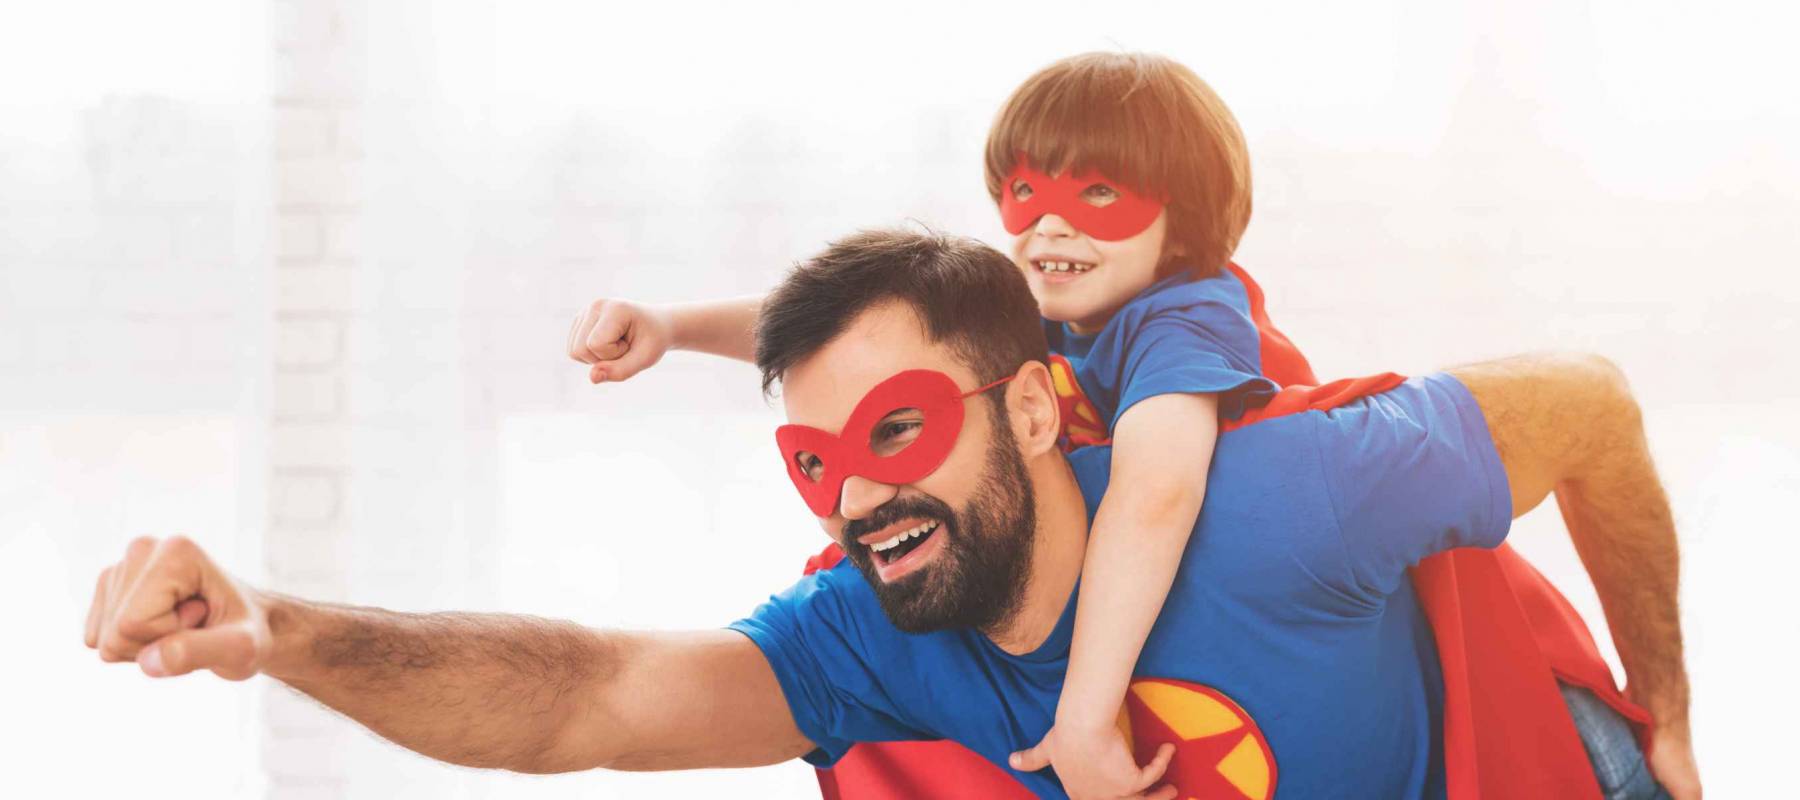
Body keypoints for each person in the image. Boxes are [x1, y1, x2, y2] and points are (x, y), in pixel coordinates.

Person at [86, 230, 1698, 799]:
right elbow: (580, 698)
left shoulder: (1277, 503)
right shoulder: (863, 640)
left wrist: (1672, 716)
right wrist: (280, 633)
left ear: (1035, 407)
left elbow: (1595, 407)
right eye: (814, 463)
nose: (856, 495)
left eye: (896, 433)